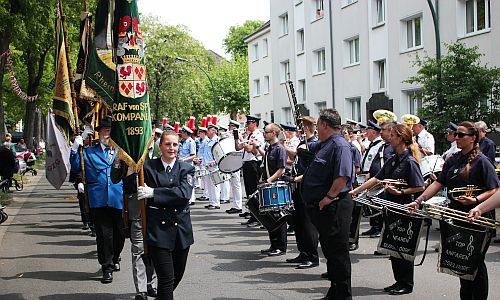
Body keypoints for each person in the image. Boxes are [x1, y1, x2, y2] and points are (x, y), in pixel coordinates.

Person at [408, 121, 499, 300]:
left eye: (461, 135)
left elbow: (494, 189)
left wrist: (475, 200)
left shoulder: (482, 161)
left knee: (476, 262)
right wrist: (419, 201)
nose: (456, 138)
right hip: (455, 216)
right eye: (456, 134)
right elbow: (438, 183)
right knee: (461, 261)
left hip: (477, 218)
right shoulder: (453, 159)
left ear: (473, 138)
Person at [351, 124, 425, 295]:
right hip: (390, 207)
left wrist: (401, 191)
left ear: (400, 138)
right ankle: (398, 280)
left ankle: (406, 283)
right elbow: (377, 178)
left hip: (405, 209)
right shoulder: (393, 158)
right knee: (393, 247)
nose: (389, 137)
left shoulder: (410, 161)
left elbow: (420, 186)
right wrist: (356, 191)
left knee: (402, 247)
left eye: (392, 135)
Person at [300, 108, 354, 300]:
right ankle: (335, 290)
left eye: (317, 126)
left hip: (334, 205)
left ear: (324, 125)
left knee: (338, 252)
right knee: (330, 250)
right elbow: (308, 150)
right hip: (323, 207)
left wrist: (328, 198)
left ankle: (343, 295)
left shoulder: (340, 146)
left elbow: (342, 177)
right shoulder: (325, 144)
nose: (316, 130)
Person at [137, 130, 195, 300]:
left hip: (181, 232)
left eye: (175, 144)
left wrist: (154, 193)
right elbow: (127, 186)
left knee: (176, 277)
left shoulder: (186, 168)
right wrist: (120, 163)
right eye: (167, 144)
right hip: (158, 232)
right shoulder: (147, 167)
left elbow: (183, 193)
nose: (172, 148)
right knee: (166, 278)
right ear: (160, 146)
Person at [70, 116, 125, 284]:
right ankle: (106, 267)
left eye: (111, 131)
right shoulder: (88, 152)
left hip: (118, 198)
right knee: (103, 235)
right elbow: (76, 166)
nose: (108, 134)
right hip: (98, 198)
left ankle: (115, 257)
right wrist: (75, 147)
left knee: (120, 234)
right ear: (99, 133)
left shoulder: (121, 151)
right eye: (106, 131)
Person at [111, 159, 157, 300]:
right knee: (138, 249)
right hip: (136, 212)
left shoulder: (157, 154)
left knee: (155, 249)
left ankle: (151, 284)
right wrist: (121, 163)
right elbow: (115, 178)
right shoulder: (127, 158)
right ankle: (141, 290)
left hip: (156, 212)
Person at [285, 116, 320, 269]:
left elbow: (313, 170)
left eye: (300, 128)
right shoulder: (302, 144)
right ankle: (303, 252)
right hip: (298, 188)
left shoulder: (314, 145)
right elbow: (297, 159)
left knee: (307, 224)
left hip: (306, 188)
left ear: (306, 128)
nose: (298, 131)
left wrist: (296, 179)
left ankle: (312, 256)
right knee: (298, 221)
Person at [235, 115, 264, 227]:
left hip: (254, 164)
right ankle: (253, 215)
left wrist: (243, 140)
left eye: (249, 123)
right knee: (249, 192)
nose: (247, 125)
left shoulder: (258, 135)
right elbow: (238, 148)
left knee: (254, 191)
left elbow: (251, 149)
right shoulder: (250, 135)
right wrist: (237, 138)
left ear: (254, 123)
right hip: (247, 164)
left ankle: (258, 217)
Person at [359, 120, 384, 238]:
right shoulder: (373, 144)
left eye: (367, 131)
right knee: (370, 201)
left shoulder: (379, 145)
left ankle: (378, 227)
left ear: (374, 132)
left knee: (375, 201)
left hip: (373, 176)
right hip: (367, 175)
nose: (365, 133)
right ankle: (373, 225)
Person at [341, 125, 362, 252]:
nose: (342, 135)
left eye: (344, 133)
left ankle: (353, 240)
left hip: (352, 183)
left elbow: (357, 168)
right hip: (343, 184)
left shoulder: (353, 149)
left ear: (349, 134)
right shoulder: (342, 148)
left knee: (353, 214)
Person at [225, 120, 243, 214]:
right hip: (231, 159)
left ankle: (238, 206)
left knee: (236, 184)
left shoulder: (238, 135)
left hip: (236, 160)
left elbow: (240, 143)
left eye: (231, 126)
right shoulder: (230, 136)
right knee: (233, 184)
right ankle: (235, 205)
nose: (229, 128)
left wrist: (236, 134)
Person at [203, 124, 221, 209]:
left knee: (215, 185)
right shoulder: (208, 141)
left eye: (209, 130)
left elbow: (220, 154)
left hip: (214, 166)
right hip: (207, 166)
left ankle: (216, 203)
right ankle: (211, 201)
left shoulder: (217, 140)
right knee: (209, 185)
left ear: (214, 131)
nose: (207, 132)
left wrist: (214, 162)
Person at [179, 126, 197, 205]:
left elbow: (193, 155)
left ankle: (191, 199)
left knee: (190, 181)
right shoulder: (183, 142)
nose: (181, 134)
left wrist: (184, 159)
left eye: (182, 133)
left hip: (188, 165)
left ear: (186, 133)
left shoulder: (191, 142)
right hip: (182, 164)